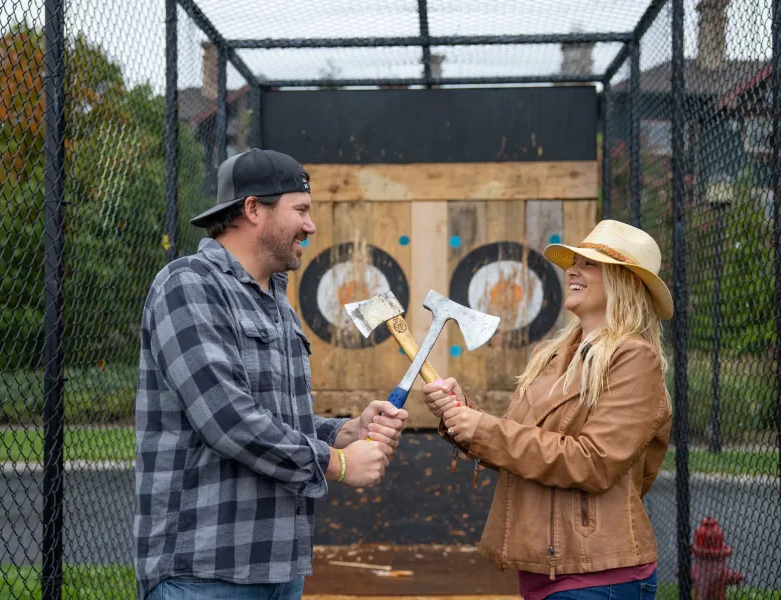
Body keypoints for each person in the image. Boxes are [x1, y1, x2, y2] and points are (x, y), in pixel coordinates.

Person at [134, 149, 408, 600]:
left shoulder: (277, 302)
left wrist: (343, 431)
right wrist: (335, 464)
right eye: (300, 210)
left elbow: (274, 415)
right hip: (204, 571)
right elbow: (227, 419)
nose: (310, 225)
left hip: (279, 567)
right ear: (253, 209)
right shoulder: (187, 284)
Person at [422, 220, 672, 600]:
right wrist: (461, 414)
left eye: (591, 264)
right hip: (543, 569)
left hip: (599, 574)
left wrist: (485, 428)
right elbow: (518, 446)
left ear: (629, 282)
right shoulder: (552, 355)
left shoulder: (634, 358)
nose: (573, 269)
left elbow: (594, 461)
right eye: (575, 261)